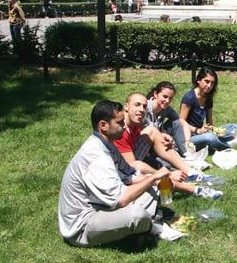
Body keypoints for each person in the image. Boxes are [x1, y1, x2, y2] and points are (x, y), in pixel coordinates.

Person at [58, 100, 173, 246]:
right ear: (103, 126)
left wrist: (156, 178)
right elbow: (121, 199)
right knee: (137, 216)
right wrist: (155, 177)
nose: (125, 127)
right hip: (83, 225)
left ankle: (148, 225)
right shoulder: (96, 157)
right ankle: (151, 227)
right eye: (120, 123)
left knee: (151, 183)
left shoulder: (108, 144)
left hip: (101, 204)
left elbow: (131, 175)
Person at [115, 92, 223, 199]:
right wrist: (165, 174)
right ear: (126, 106)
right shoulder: (120, 129)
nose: (141, 109)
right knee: (146, 171)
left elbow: (179, 121)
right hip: (121, 173)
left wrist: (161, 135)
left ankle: (190, 172)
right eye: (137, 105)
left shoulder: (135, 123)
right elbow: (132, 168)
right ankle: (195, 189)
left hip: (133, 162)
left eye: (144, 106)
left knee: (154, 131)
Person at [179, 67, 237, 152]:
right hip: (189, 136)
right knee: (210, 138)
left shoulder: (208, 98)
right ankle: (228, 147)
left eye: (212, 83)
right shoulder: (189, 97)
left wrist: (214, 130)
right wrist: (197, 130)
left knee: (233, 127)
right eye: (207, 81)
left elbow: (210, 123)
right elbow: (181, 121)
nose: (209, 86)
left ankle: (219, 141)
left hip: (202, 131)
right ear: (198, 80)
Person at [145, 81, 187, 156]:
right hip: (146, 141)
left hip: (160, 138)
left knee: (176, 123)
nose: (167, 101)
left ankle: (185, 153)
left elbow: (180, 120)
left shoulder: (165, 108)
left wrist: (188, 139)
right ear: (155, 94)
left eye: (170, 98)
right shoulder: (144, 108)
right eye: (164, 96)